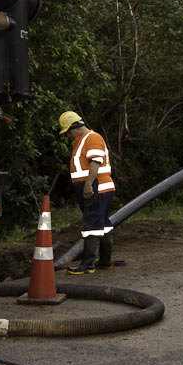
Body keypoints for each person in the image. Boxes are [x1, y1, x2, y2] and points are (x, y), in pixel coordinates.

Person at [58, 110, 116, 273]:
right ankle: (105, 261)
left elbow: (95, 163)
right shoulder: (84, 140)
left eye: (68, 131)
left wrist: (88, 184)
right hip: (98, 189)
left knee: (91, 225)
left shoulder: (92, 138)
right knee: (102, 225)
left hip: (96, 188)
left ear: (75, 126)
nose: (68, 135)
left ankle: (88, 264)